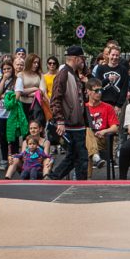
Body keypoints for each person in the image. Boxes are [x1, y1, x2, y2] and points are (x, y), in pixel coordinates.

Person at [50, 45, 89, 180]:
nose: (83, 62)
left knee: (74, 156)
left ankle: (53, 177)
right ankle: (57, 177)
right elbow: (55, 99)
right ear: (76, 58)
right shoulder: (64, 74)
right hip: (70, 124)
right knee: (81, 157)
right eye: (82, 59)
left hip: (76, 124)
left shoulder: (73, 74)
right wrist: (60, 121)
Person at [85, 77, 119, 175]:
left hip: (102, 139)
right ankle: (95, 156)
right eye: (96, 90)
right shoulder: (83, 107)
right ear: (88, 92)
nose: (99, 92)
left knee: (85, 145)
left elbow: (115, 127)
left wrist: (104, 131)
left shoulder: (108, 107)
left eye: (101, 90)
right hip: (86, 140)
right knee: (87, 134)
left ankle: (87, 180)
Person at [0, 59, 20, 168]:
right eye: (4, 69)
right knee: (3, 137)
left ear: (12, 69)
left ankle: (15, 159)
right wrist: (3, 79)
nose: (7, 71)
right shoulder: (0, 79)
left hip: (12, 113)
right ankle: (4, 159)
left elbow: (16, 97)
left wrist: (5, 96)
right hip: (0, 113)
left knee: (13, 137)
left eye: (8, 68)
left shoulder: (17, 80)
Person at [94, 45, 129, 115]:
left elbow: (124, 89)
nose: (114, 57)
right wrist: (107, 80)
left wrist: (119, 105)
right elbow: (97, 85)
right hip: (102, 103)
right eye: (113, 55)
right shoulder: (101, 68)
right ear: (109, 55)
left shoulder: (123, 70)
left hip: (116, 105)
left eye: (117, 55)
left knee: (115, 125)